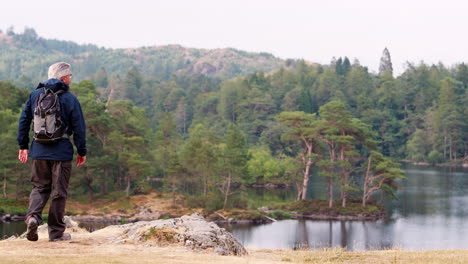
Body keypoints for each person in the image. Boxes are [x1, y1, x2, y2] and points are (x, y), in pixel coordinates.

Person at [17, 62, 87, 242]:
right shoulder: (70, 98)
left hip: (38, 150)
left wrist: (23, 145)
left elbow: (24, 121)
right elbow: (79, 127)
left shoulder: (35, 95)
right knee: (59, 192)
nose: (71, 78)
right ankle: (55, 233)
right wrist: (81, 150)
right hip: (61, 152)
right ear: (63, 77)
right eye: (69, 75)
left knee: (39, 187)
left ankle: (33, 217)